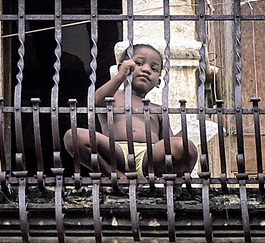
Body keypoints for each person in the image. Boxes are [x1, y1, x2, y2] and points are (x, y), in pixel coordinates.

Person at [62, 44, 197, 179]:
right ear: (123, 67)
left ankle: (175, 185)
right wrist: (120, 75)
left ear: (158, 82)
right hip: (116, 152)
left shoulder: (158, 110)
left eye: (154, 69)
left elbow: (169, 142)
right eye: (139, 63)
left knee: (186, 147)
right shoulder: (112, 98)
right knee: (73, 135)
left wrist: (189, 130)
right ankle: (112, 173)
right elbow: (96, 100)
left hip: (148, 156)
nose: (146, 69)